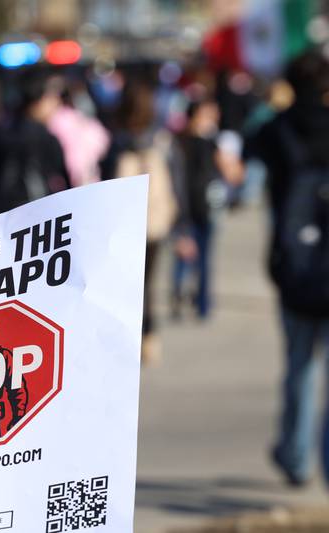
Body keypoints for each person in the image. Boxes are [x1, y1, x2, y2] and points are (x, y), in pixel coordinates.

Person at [246, 48, 329, 487]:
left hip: (294, 264)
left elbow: (248, 182)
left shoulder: (275, 128)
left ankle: (296, 457)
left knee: (299, 365)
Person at [111, 81, 178, 365]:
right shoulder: (161, 142)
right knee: (147, 283)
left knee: (127, 284)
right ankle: (148, 337)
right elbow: (177, 184)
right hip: (154, 223)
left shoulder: (115, 143)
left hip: (123, 224)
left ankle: (130, 337)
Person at [170, 97, 243, 320]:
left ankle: (199, 303)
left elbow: (234, 174)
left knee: (201, 258)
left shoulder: (208, 142)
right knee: (187, 255)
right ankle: (185, 300)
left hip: (204, 206)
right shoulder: (181, 142)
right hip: (186, 206)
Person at [0, 67, 70, 214]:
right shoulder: (42, 138)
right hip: (34, 214)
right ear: (37, 96)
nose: (58, 102)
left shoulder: (2, 129)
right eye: (52, 95)